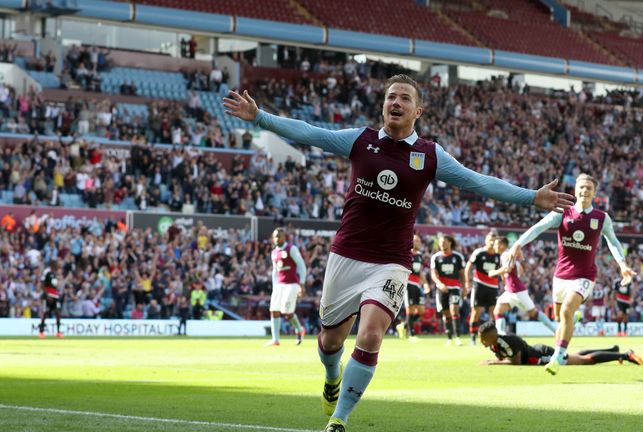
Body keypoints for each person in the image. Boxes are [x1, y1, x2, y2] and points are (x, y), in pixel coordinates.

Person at [223, 74, 573, 432]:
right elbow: (310, 132)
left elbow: (478, 181)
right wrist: (260, 117)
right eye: (391, 96)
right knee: (330, 343)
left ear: (417, 110)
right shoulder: (360, 140)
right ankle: (332, 378)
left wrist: (532, 196)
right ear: (383, 104)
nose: (396, 103)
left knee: (371, 334)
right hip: (346, 255)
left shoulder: (430, 155)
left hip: (391, 262)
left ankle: (339, 419)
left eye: (405, 98)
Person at [509, 173, 635, 376]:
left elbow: (612, 241)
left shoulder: (601, 218)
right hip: (560, 276)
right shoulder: (563, 212)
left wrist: (622, 264)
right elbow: (538, 227)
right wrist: (518, 243)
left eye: (588, 188)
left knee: (567, 311)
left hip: (584, 276)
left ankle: (558, 357)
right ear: (575, 191)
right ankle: (571, 325)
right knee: (562, 320)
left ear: (594, 193)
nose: (584, 190)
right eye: (581, 187)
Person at [477, 321, 643, 366]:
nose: (481, 341)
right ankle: (612, 350)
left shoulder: (507, 342)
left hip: (543, 356)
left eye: (482, 338)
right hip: (538, 351)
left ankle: (625, 355)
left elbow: (517, 362)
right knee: (576, 355)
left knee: (583, 361)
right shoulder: (495, 343)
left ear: (491, 336)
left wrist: (493, 363)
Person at [489, 237, 557, 335]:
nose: (494, 246)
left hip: (516, 290)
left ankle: (555, 330)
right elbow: (518, 269)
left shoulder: (505, 255)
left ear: (502, 245)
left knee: (533, 313)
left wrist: (493, 272)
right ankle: (501, 335)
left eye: (495, 244)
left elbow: (507, 269)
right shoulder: (508, 254)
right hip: (511, 290)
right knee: (498, 311)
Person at [264, 228, 307, 347]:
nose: (278, 239)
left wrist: (302, 284)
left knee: (287, 313)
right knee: (274, 310)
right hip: (279, 285)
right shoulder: (274, 252)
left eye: (280, 236)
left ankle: (299, 329)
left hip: (292, 284)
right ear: (273, 239)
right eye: (276, 237)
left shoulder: (291, 249)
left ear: (284, 237)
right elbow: (275, 271)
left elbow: (302, 266)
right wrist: (274, 287)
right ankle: (275, 339)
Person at [465, 232, 500, 345]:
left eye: (494, 240)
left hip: (493, 287)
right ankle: (473, 338)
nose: (492, 242)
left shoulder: (499, 255)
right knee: (476, 312)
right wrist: (467, 282)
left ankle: (493, 338)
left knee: (494, 313)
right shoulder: (479, 252)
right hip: (479, 285)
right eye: (490, 239)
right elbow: (468, 267)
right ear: (485, 240)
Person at [431, 235, 466, 346]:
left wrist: (465, 287)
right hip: (442, 289)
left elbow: (462, 274)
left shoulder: (458, 257)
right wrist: (439, 284)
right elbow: (433, 274)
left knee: (454, 310)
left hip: (454, 288)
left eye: (444, 242)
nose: (442, 244)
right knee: (446, 314)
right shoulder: (436, 257)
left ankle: (458, 337)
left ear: (450, 243)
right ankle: (449, 338)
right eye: (440, 242)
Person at [396, 234, 429, 341]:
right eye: (416, 241)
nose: (418, 243)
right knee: (410, 309)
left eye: (419, 241)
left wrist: (426, 284)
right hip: (408, 283)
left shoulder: (419, 256)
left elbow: (420, 272)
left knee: (421, 310)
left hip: (417, 285)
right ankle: (411, 334)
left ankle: (403, 326)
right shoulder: (406, 254)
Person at [39, 262, 63, 338]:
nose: (57, 267)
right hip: (48, 295)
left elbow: (54, 285)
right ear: (52, 265)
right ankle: (41, 332)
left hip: (55, 296)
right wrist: (47, 295)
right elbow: (42, 284)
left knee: (58, 313)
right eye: (56, 265)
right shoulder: (47, 272)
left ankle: (58, 332)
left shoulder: (55, 274)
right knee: (45, 313)